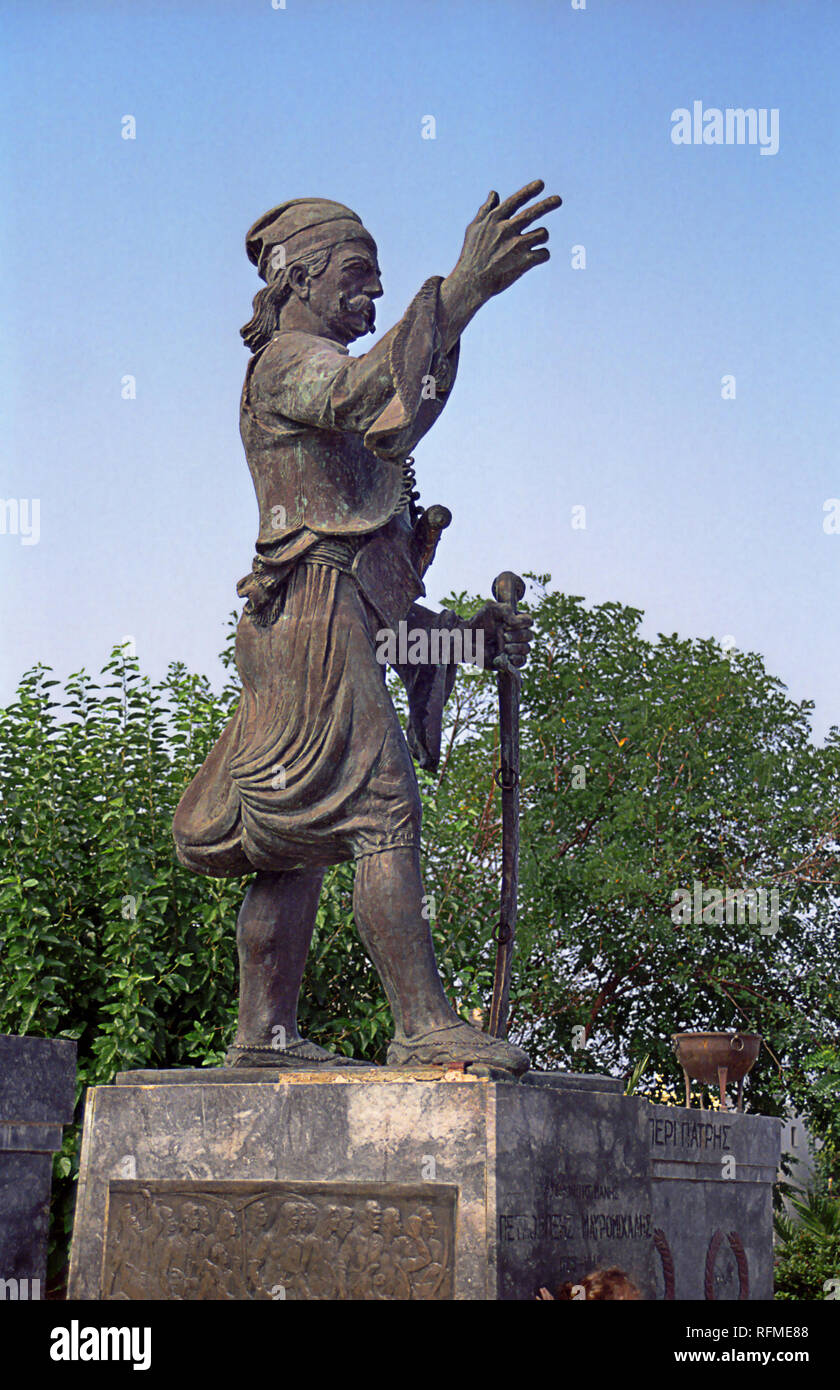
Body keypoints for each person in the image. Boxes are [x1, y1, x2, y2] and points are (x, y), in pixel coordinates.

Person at [173, 182, 561, 1073]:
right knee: (378, 808)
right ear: (297, 278)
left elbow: (376, 577)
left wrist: (462, 639)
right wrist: (459, 291)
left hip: (318, 615)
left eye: (379, 284)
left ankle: (263, 1034)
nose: (371, 298)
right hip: (306, 621)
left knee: (295, 839)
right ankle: (423, 1024)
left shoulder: (333, 420)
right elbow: (358, 394)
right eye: (356, 277)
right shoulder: (286, 364)